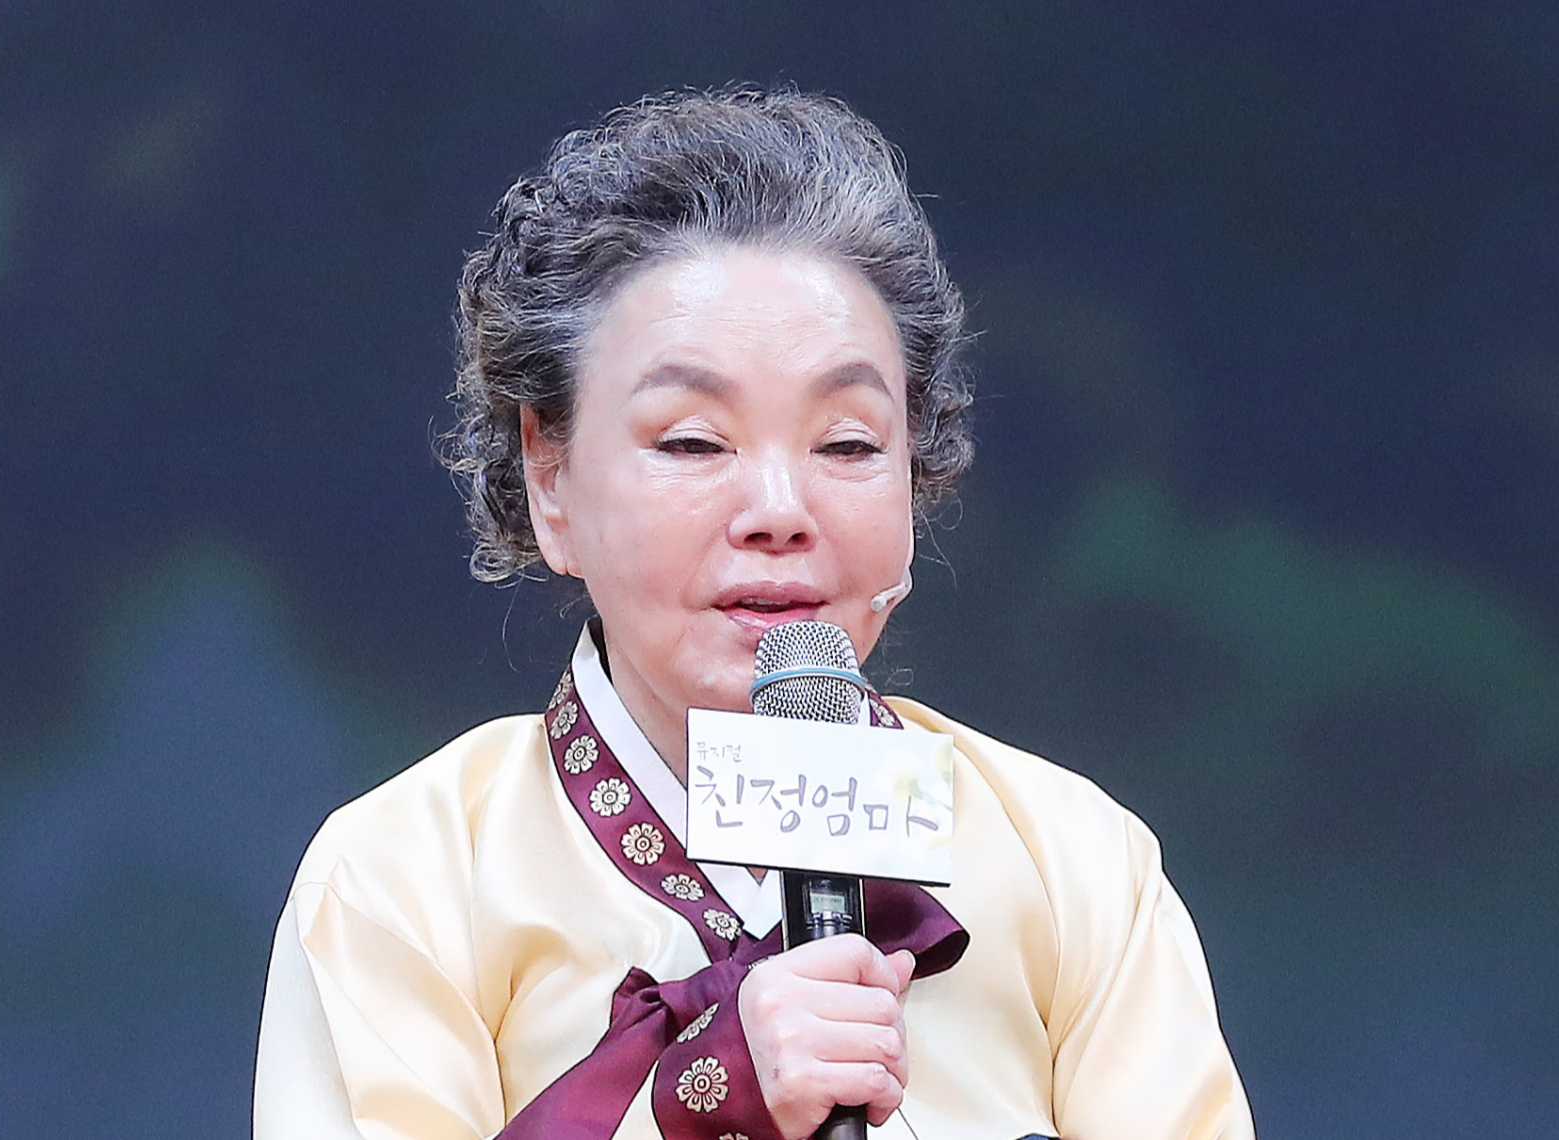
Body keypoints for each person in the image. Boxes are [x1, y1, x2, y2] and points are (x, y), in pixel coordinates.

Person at [254, 88, 1254, 1140]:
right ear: (549, 477)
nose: (779, 509)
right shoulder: (405, 875)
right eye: (692, 441)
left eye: (847, 443)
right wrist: (706, 1088)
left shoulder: (1076, 861)